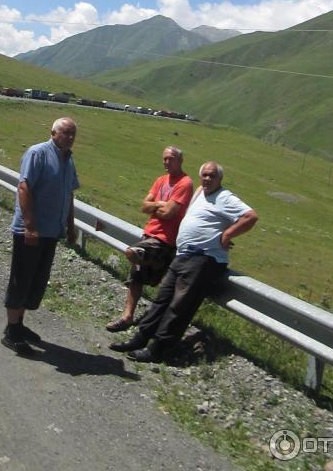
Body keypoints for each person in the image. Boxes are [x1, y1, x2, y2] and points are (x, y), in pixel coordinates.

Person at [110, 161, 258, 362]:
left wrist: (227, 235)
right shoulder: (200, 193)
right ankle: (140, 338)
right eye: (204, 175)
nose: (207, 179)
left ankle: (158, 350)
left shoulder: (224, 197)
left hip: (204, 258)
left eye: (212, 176)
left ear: (220, 179)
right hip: (184, 254)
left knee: (179, 305)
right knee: (162, 299)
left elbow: (250, 216)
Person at [2, 117, 79, 355]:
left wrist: (70, 224)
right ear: (53, 132)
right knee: (21, 278)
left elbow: (69, 194)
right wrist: (30, 226)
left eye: (73, 134)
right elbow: (24, 187)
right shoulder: (38, 153)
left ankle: (19, 324)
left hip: (51, 231)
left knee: (36, 280)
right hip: (32, 231)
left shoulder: (68, 159)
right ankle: (11, 331)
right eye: (66, 133)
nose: (70, 137)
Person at [106, 146, 193, 333]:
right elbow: (144, 206)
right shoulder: (161, 180)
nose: (167, 163)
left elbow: (169, 213)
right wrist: (158, 205)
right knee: (136, 277)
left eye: (170, 159)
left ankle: (154, 319)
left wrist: (156, 207)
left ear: (180, 161)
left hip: (164, 240)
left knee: (133, 253)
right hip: (149, 234)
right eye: (165, 159)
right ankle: (127, 316)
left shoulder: (185, 183)